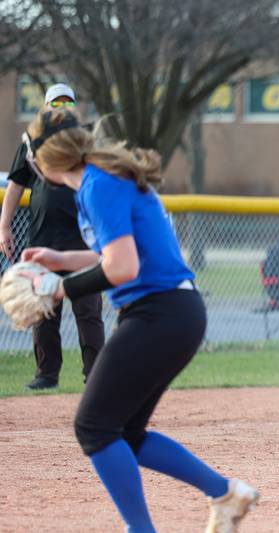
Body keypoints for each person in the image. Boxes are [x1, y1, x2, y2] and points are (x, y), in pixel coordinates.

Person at [20, 108, 258, 531]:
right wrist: (61, 261)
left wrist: (59, 289)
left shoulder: (98, 185)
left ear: (42, 161)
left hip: (159, 313)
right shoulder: (96, 181)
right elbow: (114, 255)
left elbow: (123, 268)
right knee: (124, 433)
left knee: (93, 427)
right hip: (171, 313)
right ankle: (226, 493)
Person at [0, 83, 104, 390]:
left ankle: (95, 375)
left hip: (81, 241)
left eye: (66, 104)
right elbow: (15, 186)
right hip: (43, 239)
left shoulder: (84, 144)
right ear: (45, 108)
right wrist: (4, 226)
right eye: (55, 104)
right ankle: (47, 374)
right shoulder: (33, 145)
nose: (61, 110)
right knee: (42, 309)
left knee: (88, 310)